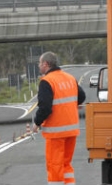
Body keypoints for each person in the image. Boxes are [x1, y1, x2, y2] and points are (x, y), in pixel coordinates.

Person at [33, 52, 86, 185]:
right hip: (72, 130)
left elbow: (45, 107)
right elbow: (81, 96)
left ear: (46, 64)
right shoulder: (69, 78)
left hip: (55, 132)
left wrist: (36, 123)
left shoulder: (47, 81)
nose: (39, 66)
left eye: (40, 63)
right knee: (66, 164)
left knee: (55, 166)